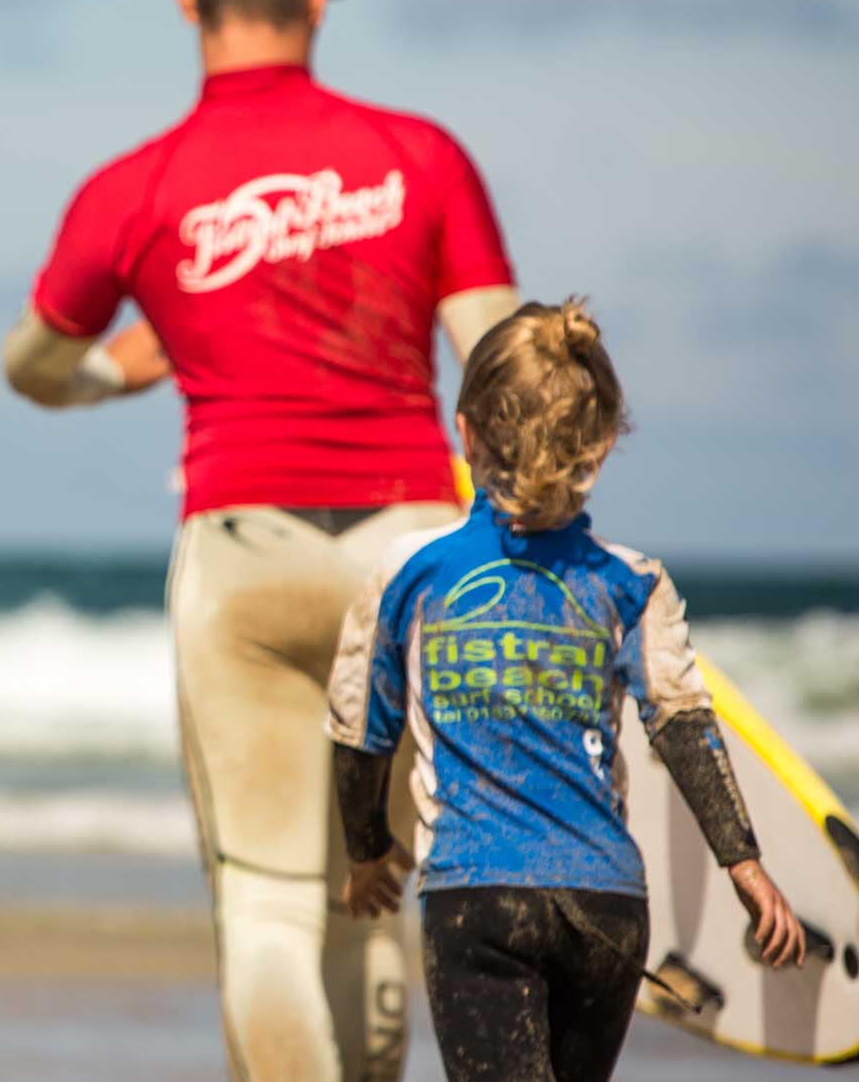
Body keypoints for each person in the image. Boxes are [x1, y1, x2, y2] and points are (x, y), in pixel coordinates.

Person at [3, 0, 520, 1080]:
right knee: (372, 883)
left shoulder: (139, 185)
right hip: (406, 554)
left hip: (239, 557)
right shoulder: (419, 157)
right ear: (319, 2)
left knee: (268, 906)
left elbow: (28, 363)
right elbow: (501, 372)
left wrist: (111, 374)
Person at [327, 299, 804, 1081]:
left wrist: (366, 849)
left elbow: (360, 728)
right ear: (602, 446)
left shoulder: (408, 573)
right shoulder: (631, 581)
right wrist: (745, 865)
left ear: (465, 430)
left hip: (479, 898)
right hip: (607, 907)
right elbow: (684, 723)